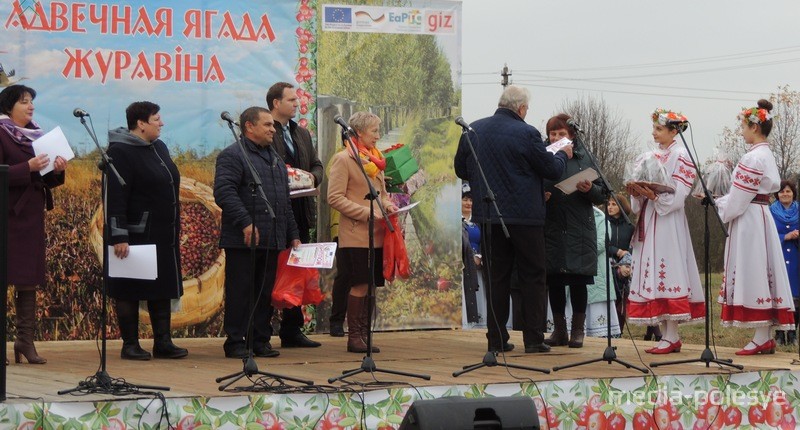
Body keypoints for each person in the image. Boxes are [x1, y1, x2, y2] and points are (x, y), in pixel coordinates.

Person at [454, 85, 572, 353]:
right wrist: (562, 155)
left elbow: (461, 169)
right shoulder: (527, 133)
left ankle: (496, 339)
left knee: (497, 277)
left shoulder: (473, 130)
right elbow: (551, 169)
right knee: (533, 275)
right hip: (525, 217)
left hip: (489, 215)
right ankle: (533, 339)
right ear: (521, 108)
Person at [214, 106, 301, 359]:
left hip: (272, 237)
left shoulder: (275, 158)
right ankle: (236, 341)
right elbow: (224, 193)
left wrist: (293, 233)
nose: (273, 129)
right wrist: (245, 222)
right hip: (243, 239)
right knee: (241, 291)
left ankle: (260, 339)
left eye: (273, 125)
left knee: (264, 292)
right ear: (249, 127)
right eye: (267, 125)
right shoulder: (233, 155)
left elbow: (283, 200)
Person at [105, 102, 188, 361]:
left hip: (163, 232)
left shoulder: (158, 147)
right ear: (140, 124)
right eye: (156, 119)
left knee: (161, 286)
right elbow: (115, 196)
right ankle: (130, 344)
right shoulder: (120, 151)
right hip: (135, 234)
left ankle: (163, 342)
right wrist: (119, 235)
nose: (161, 123)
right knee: (128, 287)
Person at [717, 100, 796, 355]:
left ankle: (762, 336)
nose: (741, 131)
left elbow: (739, 198)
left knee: (754, 269)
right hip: (760, 214)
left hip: (750, 216)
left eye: (743, 126)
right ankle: (764, 336)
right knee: (763, 268)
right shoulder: (766, 154)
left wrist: (719, 203)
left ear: (754, 127)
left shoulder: (752, 157)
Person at [626, 108, 704, 354]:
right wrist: (637, 192)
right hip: (650, 218)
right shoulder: (648, 155)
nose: (654, 133)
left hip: (669, 221)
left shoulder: (682, 155)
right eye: (654, 128)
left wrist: (656, 198)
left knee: (668, 272)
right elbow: (638, 195)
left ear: (674, 131)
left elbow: (679, 195)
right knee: (654, 274)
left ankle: (672, 335)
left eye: (659, 129)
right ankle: (666, 335)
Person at [0, 84, 67, 364]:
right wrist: (26, 168)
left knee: (28, 280)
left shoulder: (37, 136)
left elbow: (44, 177)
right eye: (24, 101)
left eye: (32, 102)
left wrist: (57, 170)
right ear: (9, 106)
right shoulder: (1, 133)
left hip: (31, 215)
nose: (31, 107)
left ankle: (24, 342)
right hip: (7, 216)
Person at [327, 111, 398, 353]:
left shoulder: (375, 158)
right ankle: (354, 337)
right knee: (359, 284)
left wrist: (388, 205)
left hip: (377, 234)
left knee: (371, 285)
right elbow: (334, 197)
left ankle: (365, 334)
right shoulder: (343, 159)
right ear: (358, 132)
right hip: (356, 233)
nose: (378, 136)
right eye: (374, 131)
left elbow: (382, 194)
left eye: (378, 130)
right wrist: (366, 212)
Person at [266, 82, 324, 348]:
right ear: (276, 103)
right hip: (274, 214)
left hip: (300, 212)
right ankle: (262, 331)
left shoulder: (300, 133)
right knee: (271, 271)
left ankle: (292, 329)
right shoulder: (267, 132)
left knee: (297, 270)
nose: (296, 104)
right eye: (291, 100)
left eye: (297, 100)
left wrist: (312, 177)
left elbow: (316, 164)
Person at [542, 114, 605, 349]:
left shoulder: (584, 156)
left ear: (572, 135)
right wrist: (540, 196)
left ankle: (578, 331)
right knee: (555, 280)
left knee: (579, 279)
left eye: (562, 134)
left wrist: (589, 189)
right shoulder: (542, 155)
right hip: (552, 224)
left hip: (579, 226)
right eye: (553, 134)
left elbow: (602, 194)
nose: (557, 138)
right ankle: (559, 330)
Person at [606, 193, 653, 337]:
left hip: (626, 267)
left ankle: (619, 331)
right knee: (612, 299)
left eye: (614, 204)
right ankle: (608, 330)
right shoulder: (604, 224)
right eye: (608, 204)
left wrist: (627, 261)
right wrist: (617, 251)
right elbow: (602, 244)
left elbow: (634, 246)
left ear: (621, 207)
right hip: (608, 265)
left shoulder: (630, 227)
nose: (610, 207)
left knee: (623, 300)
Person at [770, 180, 800, 345]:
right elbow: (766, 233)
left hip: (796, 257)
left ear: (793, 193)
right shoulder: (770, 211)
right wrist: (784, 237)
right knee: (779, 295)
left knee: (796, 297)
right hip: (778, 256)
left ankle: (793, 333)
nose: (785, 194)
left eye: (788, 191)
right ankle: (780, 333)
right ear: (777, 194)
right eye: (782, 192)